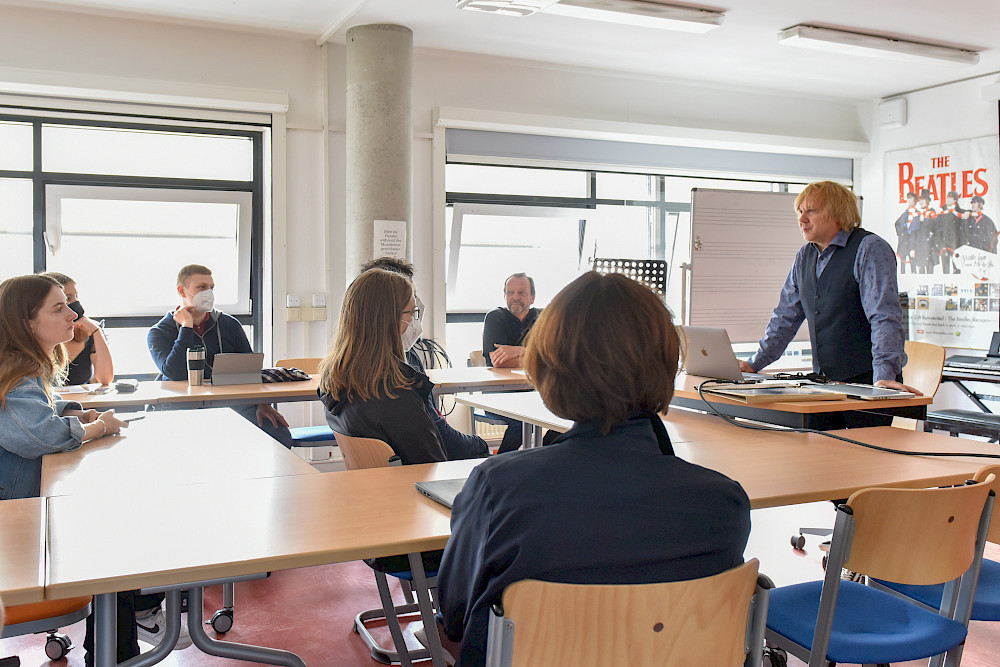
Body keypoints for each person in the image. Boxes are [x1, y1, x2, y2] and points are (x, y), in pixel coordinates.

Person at [436, 272, 751, 666]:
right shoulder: (725, 503)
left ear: (549, 370)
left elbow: (453, 617)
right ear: (668, 367)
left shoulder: (498, 489)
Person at [0, 274, 138, 665]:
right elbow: (39, 437)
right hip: (12, 525)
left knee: (115, 538)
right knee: (117, 546)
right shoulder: (14, 372)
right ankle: (117, 654)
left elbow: (45, 410)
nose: (73, 314)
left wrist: (75, 412)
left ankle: (118, 649)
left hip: (20, 509)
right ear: (27, 323)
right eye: (58, 308)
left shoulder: (25, 367)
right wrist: (98, 427)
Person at [738, 181, 920, 415]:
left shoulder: (869, 248)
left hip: (867, 385)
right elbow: (785, 317)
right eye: (800, 211)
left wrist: (884, 377)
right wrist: (755, 363)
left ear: (837, 212)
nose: (802, 219)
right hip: (823, 386)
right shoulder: (804, 256)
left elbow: (884, 316)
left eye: (811, 211)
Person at [147, 264, 293, 448]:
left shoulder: (229, 325)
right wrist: (186, 326)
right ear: (182, 291)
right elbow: (174, 373)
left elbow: (250, 370)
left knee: (280, 435)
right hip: (182, 406)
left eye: (211, 288)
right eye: (201, 287)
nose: (208, 293)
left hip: (229, 403)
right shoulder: (159, 332)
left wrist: (262, 403)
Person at [359, 257, 488, 460]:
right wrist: (480, 446)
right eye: (411, 309)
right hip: (417, 478)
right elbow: (435, 444)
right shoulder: (399, 382)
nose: (415, 319)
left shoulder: (342, 373)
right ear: (387, 311)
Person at [318, 268, 451, 465]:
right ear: (388, 319)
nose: (415, 322)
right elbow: (432, 465)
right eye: (412, 313)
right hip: (413, 489)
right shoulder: (397, 396)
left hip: (377, 488)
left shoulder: (335, 380)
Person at [482, 273, 541, 453]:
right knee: (522, 420)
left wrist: (518, 351)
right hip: (499, 395)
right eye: (510, 292)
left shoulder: (543, 318)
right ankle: (499, 465)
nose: (515, 297)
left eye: (522, 293)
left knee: (562, 417)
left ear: (532, 298)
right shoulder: (495, 318)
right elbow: (499, 362)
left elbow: (555, 357)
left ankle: (542, 457)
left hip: (534, 394)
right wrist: (536, 356)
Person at [39, 272, 114, 385]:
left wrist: (97, 332)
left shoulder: (88, 332)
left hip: (81, 402)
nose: (75, 304)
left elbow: (105, 379)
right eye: (68, 298)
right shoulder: (42, 336)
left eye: (76, 297)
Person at [893, 191, 918, 273]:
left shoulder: (918, 213)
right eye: (908, 199)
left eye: (911, 199)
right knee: (902, 265)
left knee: (913, 264)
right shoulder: (904, 214)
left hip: (913, 243)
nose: (909, 201)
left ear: (915, 201)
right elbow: (897, 223)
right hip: (904, 242)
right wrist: (902, 230)